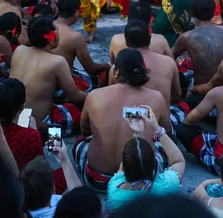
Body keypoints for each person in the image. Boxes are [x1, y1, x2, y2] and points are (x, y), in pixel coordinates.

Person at [73, 48, 170, 192]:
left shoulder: (94, 95)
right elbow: (166, 131)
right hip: (141, 180)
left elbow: (85, 129)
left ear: (116, 72)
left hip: (97, 180)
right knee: (164, 145)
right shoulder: (156, 97)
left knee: (81, 141)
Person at [9, 16, 86, 134]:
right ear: (51, 39)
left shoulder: (19, 50)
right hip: (38, 121)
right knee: (81, 113)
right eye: (57, 31)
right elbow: (75, 97)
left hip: (15, 115)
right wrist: (92, 98)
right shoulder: (57, 61)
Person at [107, 105, 185, 212]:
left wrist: (138, 134)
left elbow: (122, 170)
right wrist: (157, 129)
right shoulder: (166, 187)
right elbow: (179, 161)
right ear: (154, 165)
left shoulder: (114, 191)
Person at [52, 0, 111, 91]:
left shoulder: (43, 25)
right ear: (77, 13)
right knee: (106, 73)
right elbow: (91, 68)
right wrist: (106, 65)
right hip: (62, 87)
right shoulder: (75, 37)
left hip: (42, 82)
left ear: (58, 9)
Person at [120, 20, 181, 110]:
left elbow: (116, 98)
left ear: (126, 41)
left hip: (130, 118)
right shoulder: (169, 62)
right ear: (150, 38)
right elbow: (177, 96)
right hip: (159, 120)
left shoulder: (119, 67)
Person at [171, 0, 223, 86]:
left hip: (200, 89)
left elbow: (170, 56)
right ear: (214, 13)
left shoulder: (186, 37)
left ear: (193, 15)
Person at [20, 142, 82, 218]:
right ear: (54, 189)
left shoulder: (13, 211)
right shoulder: (67, 209)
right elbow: (82, 201)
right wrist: (65, 161)